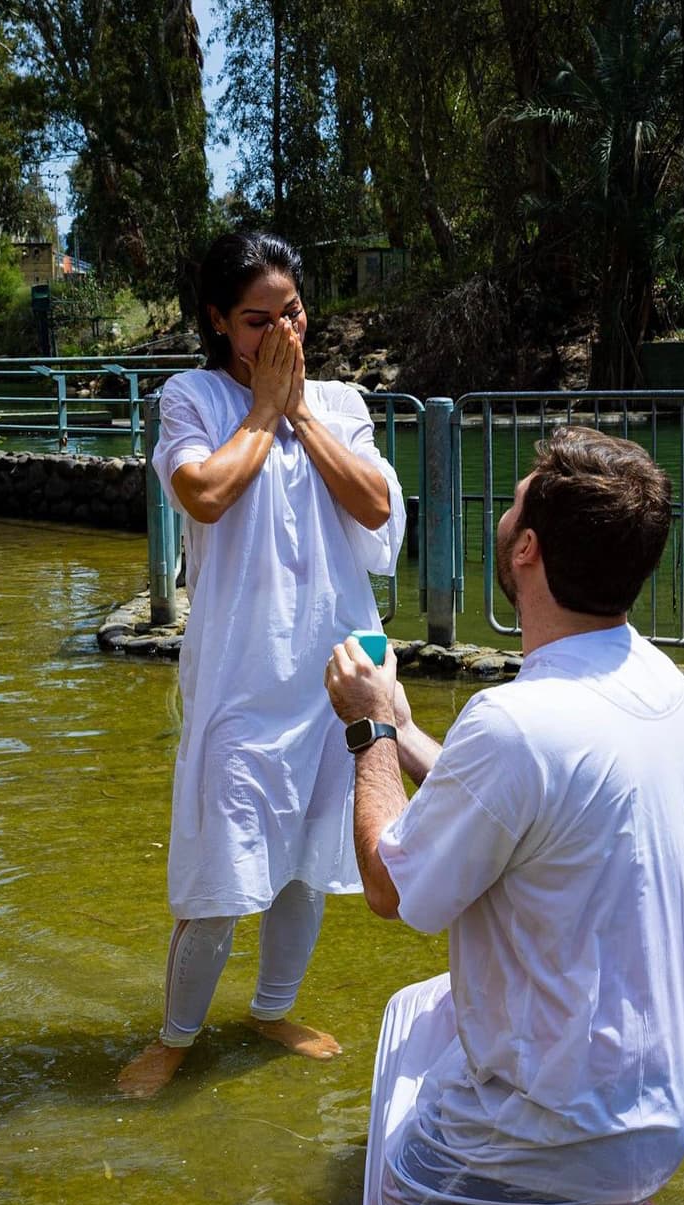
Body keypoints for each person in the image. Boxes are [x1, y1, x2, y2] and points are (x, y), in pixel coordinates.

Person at [324, 425, 684, 1205]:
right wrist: (416, 730)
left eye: (514, 502)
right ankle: (629, 1203)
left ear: (527, 549)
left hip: (581, 1124)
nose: (503, 515)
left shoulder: (517, 725)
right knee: (428, 1004)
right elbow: (514, 796)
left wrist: (371, 729)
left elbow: (393, 887)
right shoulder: (664, 687)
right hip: (673, 1096)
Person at [119, 231, 406, 1098]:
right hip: (242, 680)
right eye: (256, 319)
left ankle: (271, 1008)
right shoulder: (192, 397)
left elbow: (378, 508)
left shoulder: (341, 403)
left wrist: (302, 412)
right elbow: (202, 491)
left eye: (291, 313)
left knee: (311, 859)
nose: (279, 333)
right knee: (218, 876)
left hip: (337, 670)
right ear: (217, 320)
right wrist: (261, 412)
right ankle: (174, 1036)